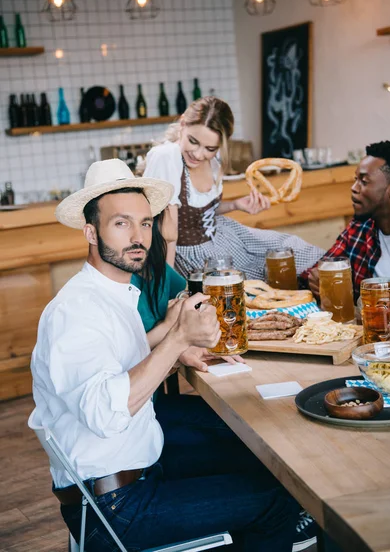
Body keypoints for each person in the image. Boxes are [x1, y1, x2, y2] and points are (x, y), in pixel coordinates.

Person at [30, 158, 300, 552]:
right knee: (276, 500)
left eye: (144, 222)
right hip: (114, 508)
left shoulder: (111, 293)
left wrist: (176, 348)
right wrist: (176, 339)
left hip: (133, 464)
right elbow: (106, 412)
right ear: (91, 231)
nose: (138, 236)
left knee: (259, 454)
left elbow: (121, 368)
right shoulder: (75, 311)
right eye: (121, 223)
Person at [143, 96, 324, 280]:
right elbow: (169, 232)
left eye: (210, 148)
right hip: (191, 254)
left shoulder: (215, 159)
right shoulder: (166, 156)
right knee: (262, 280)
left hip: (224, 235)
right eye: (193, 141)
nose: (198, 154)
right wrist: (167, 286)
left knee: (293, 252)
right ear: (183, 124)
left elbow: (200, 212)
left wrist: (236, 205)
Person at [301, 141, 390, 301]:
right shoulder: (360, 227)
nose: (354, 188)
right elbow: (320, 269)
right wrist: (315, 279)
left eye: (364, 181)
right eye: (355, 179)